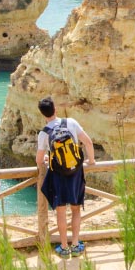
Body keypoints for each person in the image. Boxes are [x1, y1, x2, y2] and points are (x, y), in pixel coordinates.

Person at [36, 97, 96, 259]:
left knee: (61, 212)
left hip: (57, 175)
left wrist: (48, 159)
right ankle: (76, 245)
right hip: (76, 172)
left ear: (43, 114)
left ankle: (63, 247)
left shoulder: (44, 133)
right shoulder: (71, 122)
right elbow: (88, 143)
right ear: (55, 109)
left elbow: (39, 160)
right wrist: (91, 161)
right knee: (76, 209)